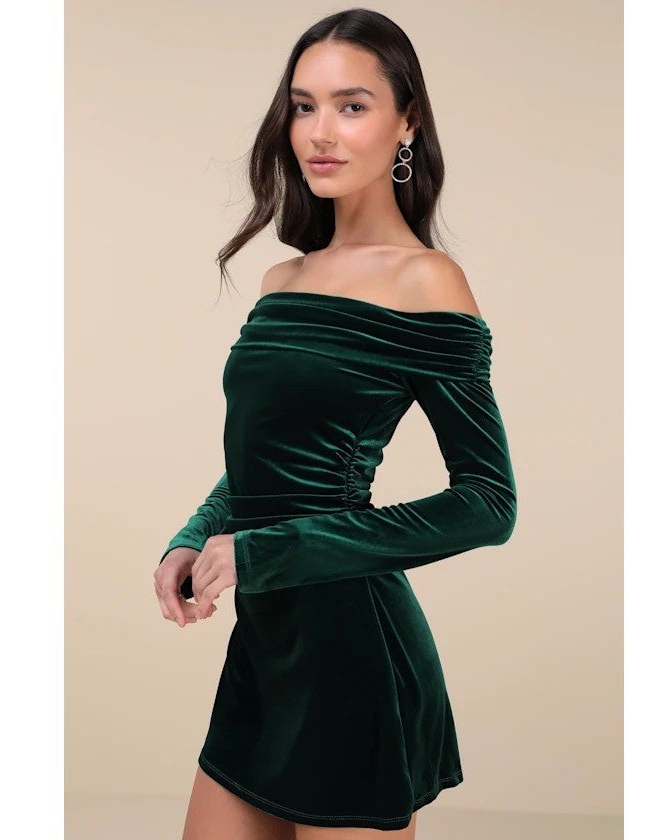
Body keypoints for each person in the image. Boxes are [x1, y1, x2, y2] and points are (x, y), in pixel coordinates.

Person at [153, 9, 518, 839]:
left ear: (407, 121)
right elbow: (274, 461)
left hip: (353, 653)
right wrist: (195, 536)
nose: (320, 132)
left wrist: (259, 553)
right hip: (268, 640)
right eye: (303, 105)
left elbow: (488, 503)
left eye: (352, 106)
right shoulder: (283, 281)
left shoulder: (427, 281)